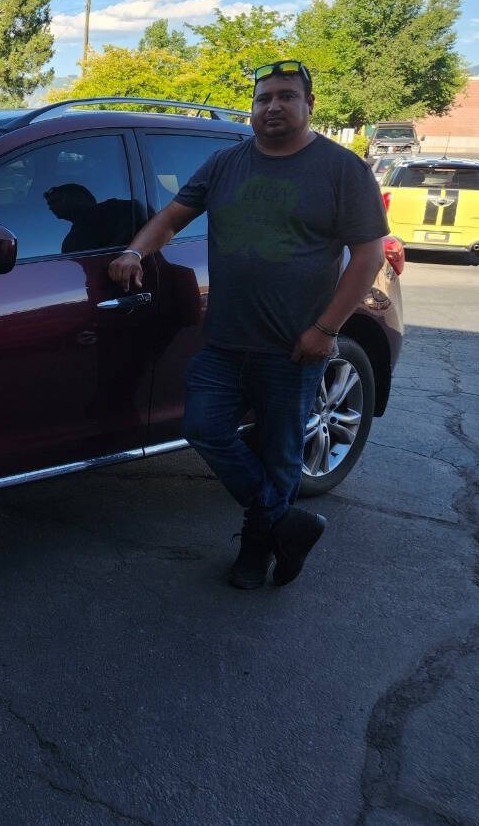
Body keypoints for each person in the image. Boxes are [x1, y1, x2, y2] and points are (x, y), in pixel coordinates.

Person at [108, 61, 388, 589]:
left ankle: (257, 550)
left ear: (309, 105)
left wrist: (326, 330)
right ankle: (285, 522)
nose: (273, 107)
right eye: (263, 98)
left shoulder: (340, 169)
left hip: (295, 346)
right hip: (225, 340)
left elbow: (368, 256)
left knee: (281, 450)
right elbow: (170, 219)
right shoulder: (225, 163)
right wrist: (133, 250)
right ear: (253, 107)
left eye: (286, 96)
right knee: (203, 428)